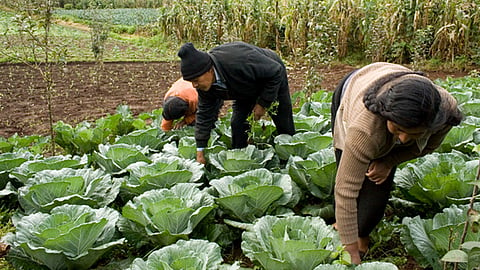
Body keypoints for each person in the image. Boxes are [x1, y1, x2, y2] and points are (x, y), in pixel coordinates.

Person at [330, 62, 463, 264]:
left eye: (414, 134)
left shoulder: (445, 113)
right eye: (398, 130)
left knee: (376, 192)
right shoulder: (364, 129)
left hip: (401, 88)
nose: (402, 140)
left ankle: (362, 234)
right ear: (386, 117)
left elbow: (427, 147)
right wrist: (350, 252)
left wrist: (389, 161)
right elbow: (346, 188)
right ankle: (343, 228)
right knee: (349, 174)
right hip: (353, 87)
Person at [177, 41, 296, 164]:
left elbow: (275, 71)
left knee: (283, 119)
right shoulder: (204, 86)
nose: (194, 85)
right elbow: (204, 115)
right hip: (244, 87)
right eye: (191, 81)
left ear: (209, 70)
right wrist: (200, 150)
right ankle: (241, 160)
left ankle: (291, 160)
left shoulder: (237, 61)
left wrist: (263, 104)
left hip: (270, 74)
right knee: (238, 124)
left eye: (196, 80)